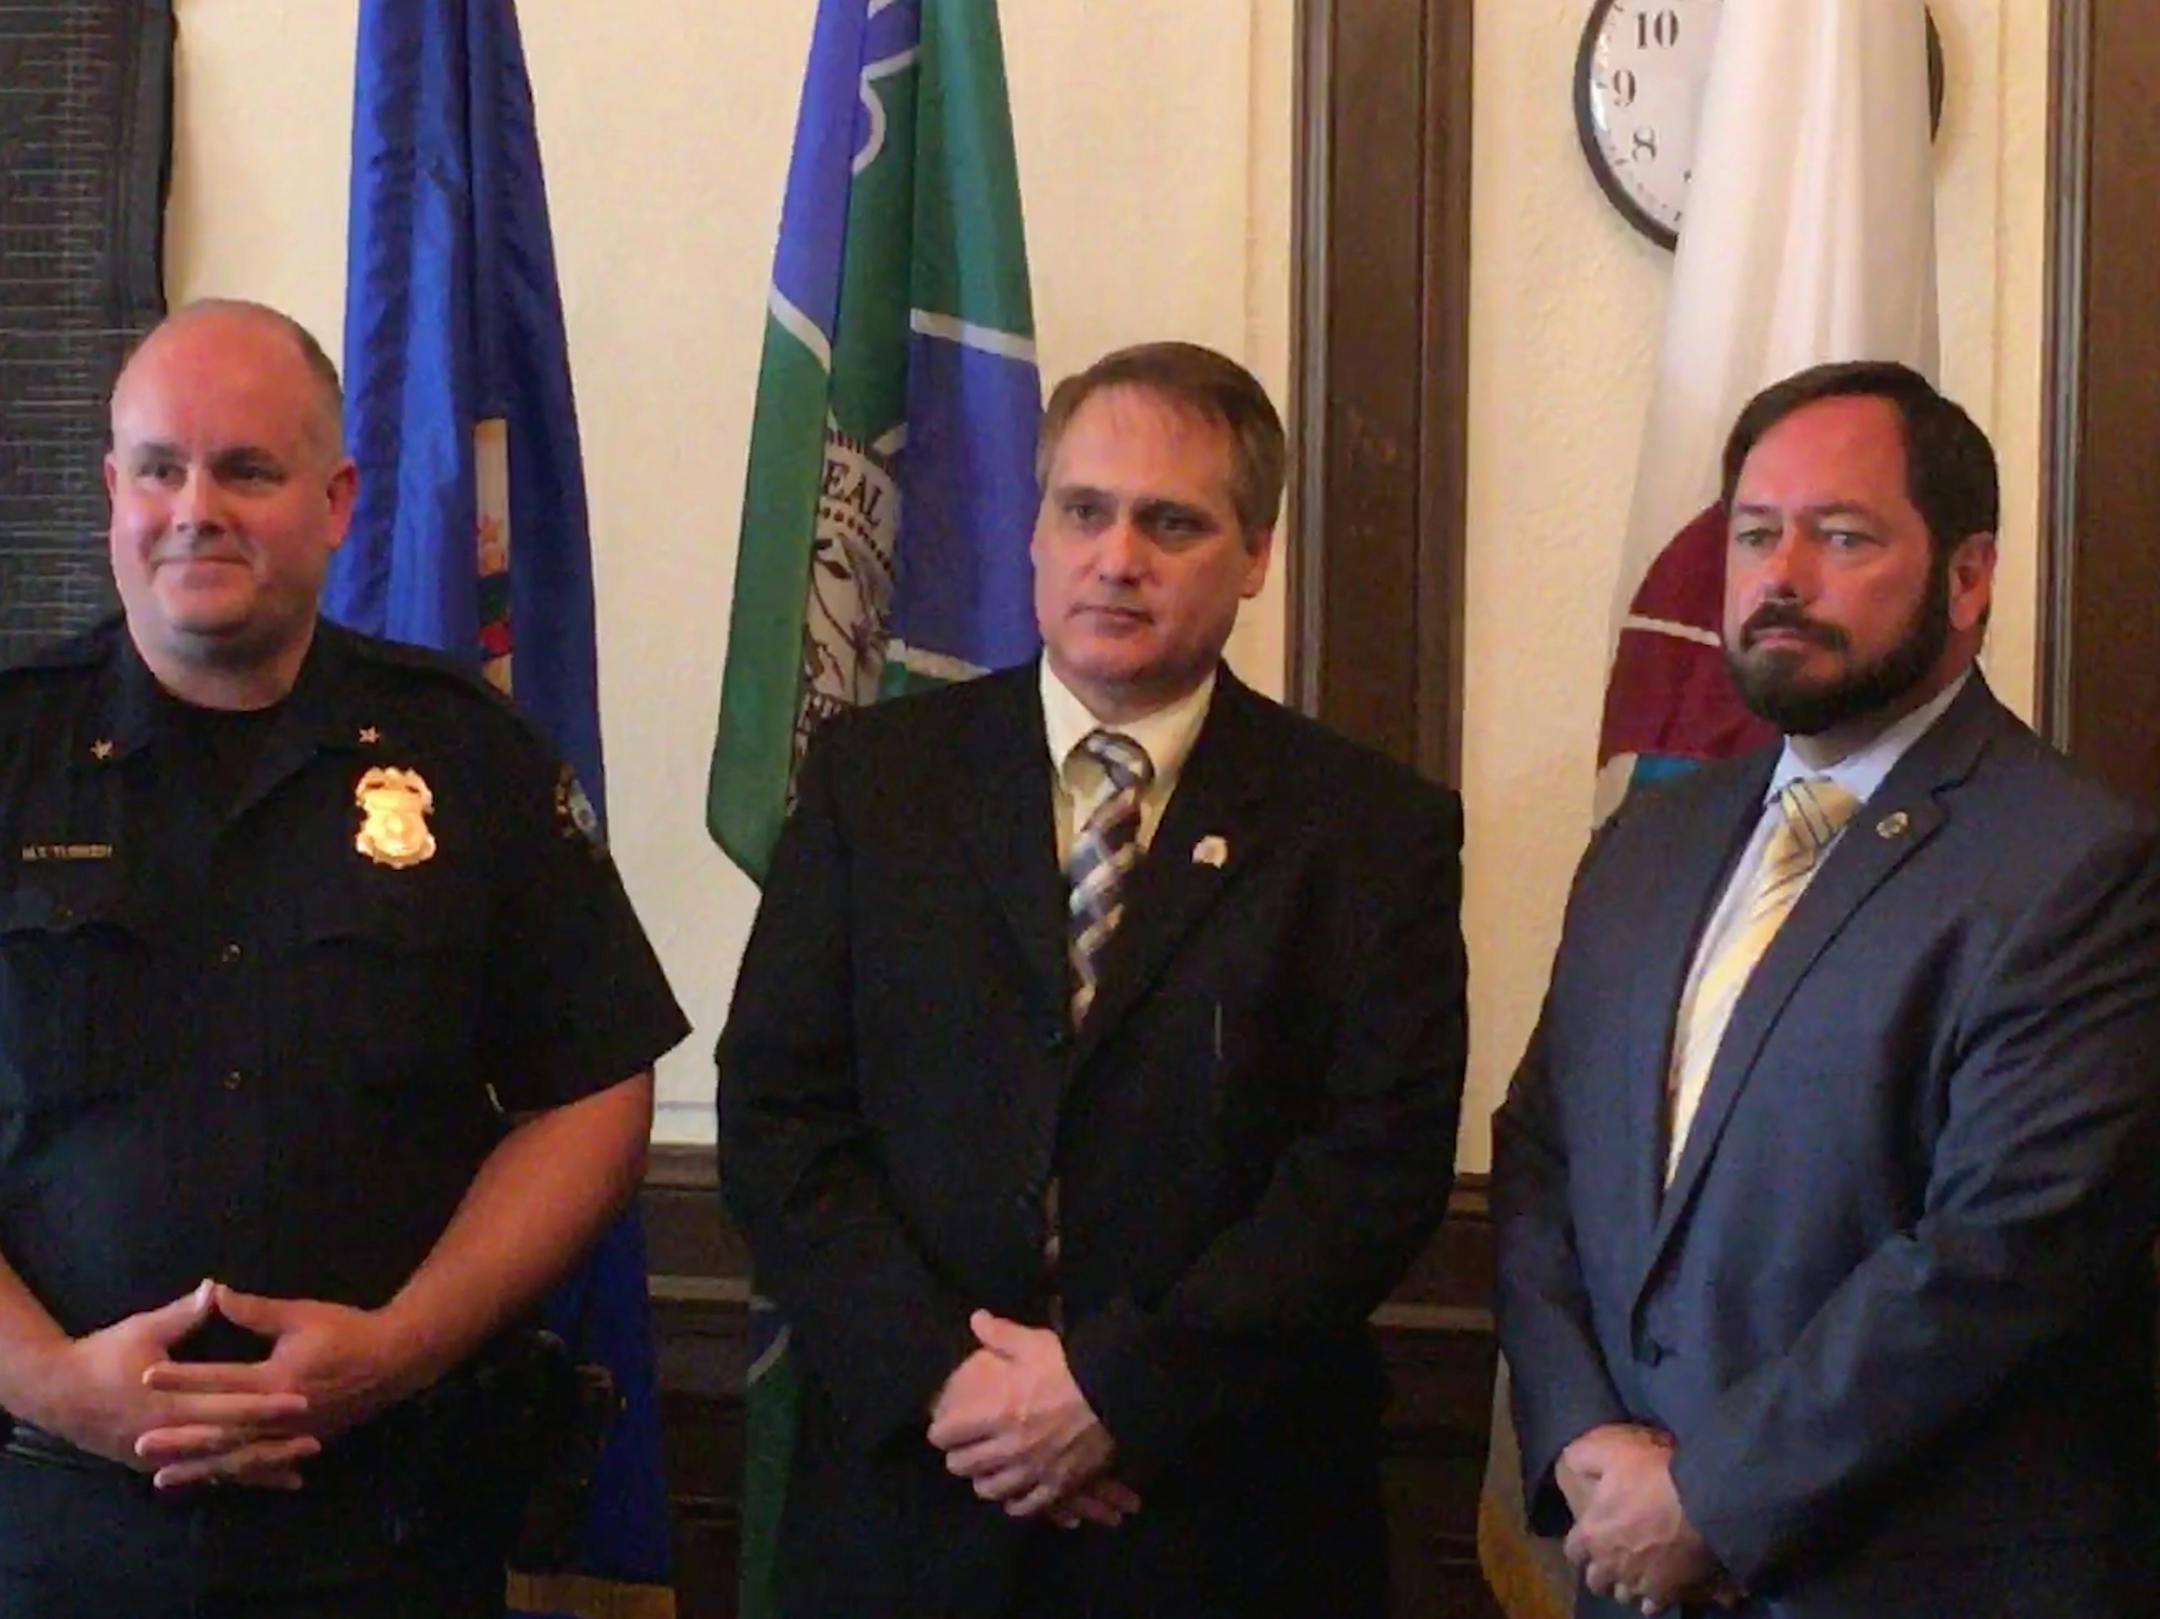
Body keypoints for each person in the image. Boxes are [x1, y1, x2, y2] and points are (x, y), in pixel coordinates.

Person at [718, 341, 1467, 1618]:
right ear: (1035, 532)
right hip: (915, 1503)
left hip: (1222, 1518)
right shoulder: (874, 783)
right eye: (1084, 510)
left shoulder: (1372, 829)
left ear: (1256, 555)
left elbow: (1369, 1172)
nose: (1117, 556)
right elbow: (781, 1116)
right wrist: (955, 1383)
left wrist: (1116, 1391)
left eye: (1172, 522)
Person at [0, 299, 689, 1617]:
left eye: (247, 470)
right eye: (160, 468)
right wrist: (47, 1379)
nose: (195, 506)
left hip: (389, 1526)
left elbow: (595, 1085)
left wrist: (402, 1344)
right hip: (48, 1532)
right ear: (112, 492)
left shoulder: (469, 758)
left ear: (337, 501)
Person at [1493, 360, 2160, 1617]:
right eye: (1755, 534)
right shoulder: (1650, 843)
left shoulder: (2078, 864)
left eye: (1840, 534)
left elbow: (2003, 1250)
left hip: (1902, 1580)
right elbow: (1541, 1157)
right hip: (1624, 1564)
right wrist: (1583, 1437)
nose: (1780, 576)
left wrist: (1716, 1499)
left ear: (1969, 576)